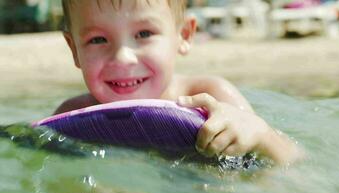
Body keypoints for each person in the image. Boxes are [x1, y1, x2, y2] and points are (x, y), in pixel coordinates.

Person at [56, 0, 303, 165]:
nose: (122, 56)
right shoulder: (69, 116)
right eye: (98, 39)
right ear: (74, 50)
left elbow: (292, 160)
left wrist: (260, 135)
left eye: (144, 34)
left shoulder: (213, 95)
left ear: (184, 35)